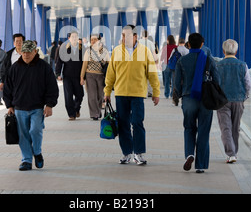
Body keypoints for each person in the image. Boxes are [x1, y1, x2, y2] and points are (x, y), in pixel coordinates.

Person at [104, 25, 160, 165]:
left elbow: (152, 73)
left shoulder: (145, 51)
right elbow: (110, 74)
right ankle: (127, 153)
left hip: (138, 93)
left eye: (127, 35)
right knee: (123, 124)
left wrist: (156, 92)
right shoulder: (116, 51)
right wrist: (107, 92)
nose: (123, 38)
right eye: (122, 35)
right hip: (121, 93)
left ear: (135, 37)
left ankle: (139, 153)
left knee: (137, 122)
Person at [3, 40, 59, 171]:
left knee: (35, 130)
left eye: (29, 52)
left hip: (37, 107)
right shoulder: (15, 68)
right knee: (23, 135)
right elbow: (7, 88)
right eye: (23, 52)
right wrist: (9, 105)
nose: (26, 55)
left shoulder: (44, 67)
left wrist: (49, 105)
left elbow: (52, 87)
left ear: (35, 52)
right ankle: (26, 160)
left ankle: (37, 152)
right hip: (19, 108)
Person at [174, 33, 219, 173]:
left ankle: (189, 154)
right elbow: (217, 80)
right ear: (202, 44)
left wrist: (180, 96)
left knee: (189, 128)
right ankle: (200, 165)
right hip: (205, 100)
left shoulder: (182, 61)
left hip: (188, 99)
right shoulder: (209, 60)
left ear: (188, 44)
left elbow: (176, 84)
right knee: (204, 131)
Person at [215, 39, 251, 164]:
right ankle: (234, 152)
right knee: (235, 128)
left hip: (222, 101)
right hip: (238, 100)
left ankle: (230, 154)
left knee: (225, 128)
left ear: (223, 51)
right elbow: (248, 84)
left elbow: (215, 84)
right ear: (236, 51)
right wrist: (245, 96)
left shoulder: (218, 66)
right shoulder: (243, 65)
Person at [55, 30, 85, 120]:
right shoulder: (64, 49)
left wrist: (84, 77)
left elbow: (85, 64)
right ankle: (71, 114)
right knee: (68, 96)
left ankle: (76, 108)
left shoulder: (82, 49)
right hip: (67, 76)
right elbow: (59, 62)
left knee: (80, 95)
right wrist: (58, 74)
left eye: (76, 37)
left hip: (78, 76)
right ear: (69, 38)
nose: (74, 38)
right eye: (72, 37)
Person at [80, 34, 110, 120]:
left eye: (95, 39)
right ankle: (94, 114)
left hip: (101, 75)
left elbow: (109, 63)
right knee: (92, 96)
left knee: (100, 96)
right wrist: (82, 77)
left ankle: (98, 111)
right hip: (90, 75)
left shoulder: (104, 50)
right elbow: (84, 64)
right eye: (92, 39)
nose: (93, 41)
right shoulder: (88, 51)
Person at [169, 38, 189, 106]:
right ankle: (184, 99)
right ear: (184, 43)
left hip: (175, 69)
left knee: (175, 83)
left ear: (178, 42)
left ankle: (175, 99)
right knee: (184, 83)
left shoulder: (175, 49)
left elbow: (170, 58)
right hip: (184, 70)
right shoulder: (187, 50)